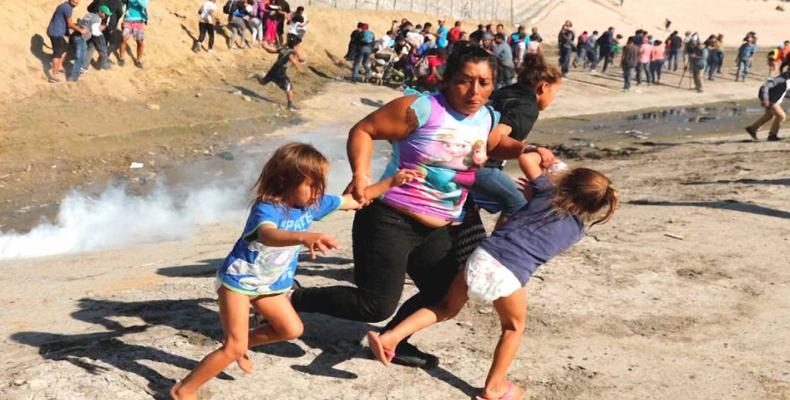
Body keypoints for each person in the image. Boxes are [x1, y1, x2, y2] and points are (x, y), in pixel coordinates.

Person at [290, 45, 530, 369]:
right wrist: (361, 175)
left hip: (439, 226)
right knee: (374, 306)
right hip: (389, 218)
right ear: (447, 80)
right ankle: (294, 298)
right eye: (465, 80)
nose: (475, 91)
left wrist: (528, 150)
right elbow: (364, 130)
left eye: (484, 83)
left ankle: (395, 341)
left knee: (444, 293)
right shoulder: (422, 108)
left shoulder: (487, 118)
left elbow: (494, 146)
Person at [169, 143, 423, 400]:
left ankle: (242, 344)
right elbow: (269, 235)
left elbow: (354, 200)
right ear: (283, 181)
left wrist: (392, 182)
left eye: (320, 185)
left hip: (269, 285)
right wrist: (303, 237)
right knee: (233, 347)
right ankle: (184, 390)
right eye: (311, 185)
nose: (318, 192)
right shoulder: (267, 208)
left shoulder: (313, 204)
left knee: (291, 330)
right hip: (238, 283)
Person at [367, 155, 618, 400]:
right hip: (509, 273)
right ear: (596, 207)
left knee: (444, 307)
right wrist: (540, 192)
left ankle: (391, 337)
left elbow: (527, 159)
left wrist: (548, 160)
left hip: (481, 256)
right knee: (513, 328)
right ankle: (494, 388)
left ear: (566, 181)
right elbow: (541, 230)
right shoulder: (576, 232)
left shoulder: (544, 192)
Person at [472, 53, 560, 227]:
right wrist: (530, 148)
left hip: (459, 155)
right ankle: (498, 251)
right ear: (543, 87)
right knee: (520, 204)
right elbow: (493, 139)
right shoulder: (528, 107)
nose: (553, 98)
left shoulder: (506, 91)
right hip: (479, 165)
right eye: (555, 92)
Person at [257, 33, 305, 111]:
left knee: (263, 82)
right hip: (280, 72)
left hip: (274, 69)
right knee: (289, 87)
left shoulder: (283, 48)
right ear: (294, 46)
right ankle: (290, 105)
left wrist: (265, 47)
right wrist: (300, 69)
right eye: (298, 46)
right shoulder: (291, 52)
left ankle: (257, 76)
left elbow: (271, 50)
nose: (298, 47)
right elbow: (293, 60)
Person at [47, 0, 86, 82]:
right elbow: (70, 24)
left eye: (77, 3)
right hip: (56, 33)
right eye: (74, 2)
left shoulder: (65, 6)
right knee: (57, 54)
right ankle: (54, 76)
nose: (76, 4)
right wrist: (80, 30)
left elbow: (63, 21)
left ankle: (59, 66)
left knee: (64, 49)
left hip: (56, 31)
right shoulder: (67, 8)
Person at [69, 5, 112, 80]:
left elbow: (85, 24)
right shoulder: (97, 19)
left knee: (81, 52)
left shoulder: (89, 14)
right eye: (105, 14)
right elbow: (95, 32)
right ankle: (74, 76)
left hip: (74, 35)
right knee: (80, 58)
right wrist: (100, 30)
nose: (106, 16)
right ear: (100, 12)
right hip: (81, 38)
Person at [746, 70, 790, 141]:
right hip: (770, 99)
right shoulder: (781, 79)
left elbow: (785, 91)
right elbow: (765, 86)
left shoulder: (787, 79)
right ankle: (772, 135)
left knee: (769, 115)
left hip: (774, 100)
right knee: (782, 116)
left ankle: (752, 129)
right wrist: (765, 99)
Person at [118, 0, 147, 68]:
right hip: (128, 20)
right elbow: (120, 3)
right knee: (124, 39)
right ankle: (121, 58)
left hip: (139, 21)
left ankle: (138, 60)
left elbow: (144, 5)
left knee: (140, 42)